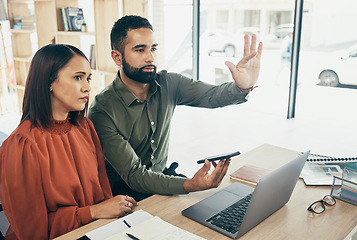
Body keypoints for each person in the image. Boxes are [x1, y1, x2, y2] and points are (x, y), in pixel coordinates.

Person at [88, 15, 263, 201]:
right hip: (126, 196)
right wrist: (189, 184)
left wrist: (242, 87)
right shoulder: (102, 110)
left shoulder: (168, 82)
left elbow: (211, 96)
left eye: (153, 48)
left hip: (163, 179)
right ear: (117, 57)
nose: (150, 57)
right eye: (140, 50)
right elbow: (134, 175)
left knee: (224, 203)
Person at [0, 44, 137, 240]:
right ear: (49, 82)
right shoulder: (22, 145)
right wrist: (93, 212)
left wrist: (112, 209)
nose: (87, 87)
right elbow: (32, 232)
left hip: (96, 232)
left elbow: (104, 197)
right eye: (77, 77)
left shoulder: (85, 127)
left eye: (88, 78)